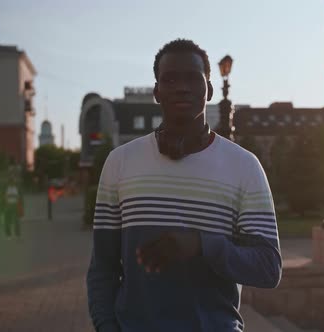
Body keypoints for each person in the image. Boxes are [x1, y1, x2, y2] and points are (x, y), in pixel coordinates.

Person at [86, 39, 282, 332]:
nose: (181, 87)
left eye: (193, 78)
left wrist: (201, 245)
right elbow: (103, 267)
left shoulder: (244, 166)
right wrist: (106, 326)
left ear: (210, 90)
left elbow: (268, 268)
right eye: (170, 79)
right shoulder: (120, 162)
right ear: (156, 92)